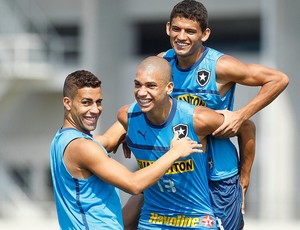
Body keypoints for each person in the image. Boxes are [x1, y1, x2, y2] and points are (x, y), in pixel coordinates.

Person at [122, 1, 289, 229]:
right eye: (177, 29)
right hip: (181, 171)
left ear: (205, 34)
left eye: (190, 31)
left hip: (218, 175)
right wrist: (130, 131)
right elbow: (146, 99)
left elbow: (278, 79)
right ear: (168, 28)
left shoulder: (219, 66)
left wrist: (240, 115)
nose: (182, 37)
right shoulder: (163, 62)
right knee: (130, 217)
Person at [49, 70, 202, 230]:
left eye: (98, 102)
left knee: (143, 199)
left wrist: (133, 130)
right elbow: (134, 184)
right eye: (86, 102)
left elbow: (108, 140)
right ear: (67, 103)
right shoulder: (82, 147)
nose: (95, 110)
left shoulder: (62, 139)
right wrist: (175, 152)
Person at [118, 56, 230, 229]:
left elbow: (245, 126)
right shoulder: (128, 116)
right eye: (137, 84)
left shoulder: (197, 118)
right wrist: (128, 137)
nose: (141, 92)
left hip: (196, 219)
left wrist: (243, 180)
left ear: (169, 88)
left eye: (151, 86)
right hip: (153, 220)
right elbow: (103, 143)